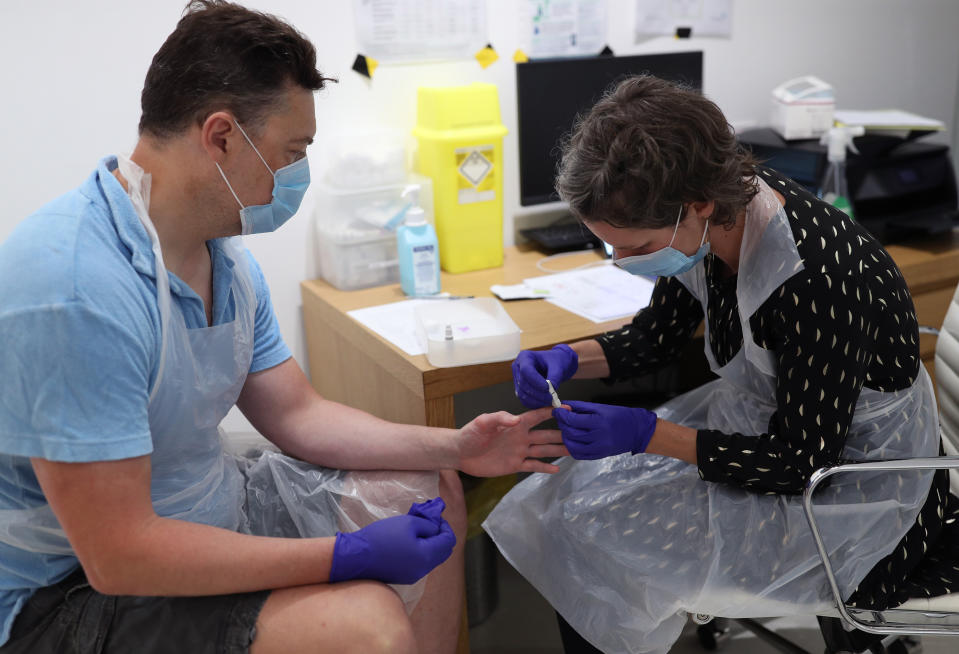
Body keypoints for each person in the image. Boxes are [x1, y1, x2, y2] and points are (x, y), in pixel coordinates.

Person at [0, 2, 568, 653]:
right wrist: (344, 556)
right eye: (292, 152)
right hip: (72, 594)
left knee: (424, 490)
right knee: (369, 627)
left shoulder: (223, 259)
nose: (297, 175)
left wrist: (455, 449)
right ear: (220, 137)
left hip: (204, 508)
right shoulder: (73, 290)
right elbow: (120, 556)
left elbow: (296, 413)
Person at [484, 75, 959, 654]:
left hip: (851, 493)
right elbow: (655, 339)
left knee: (596, 530)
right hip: (759, 433)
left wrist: (645, 434)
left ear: (700, 204)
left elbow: (800, 464)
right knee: (561, 500)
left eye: (633, 247)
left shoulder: (817, 280)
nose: (622, 262)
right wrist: (564, 358)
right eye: (610, 246)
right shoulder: (708, 230)